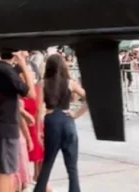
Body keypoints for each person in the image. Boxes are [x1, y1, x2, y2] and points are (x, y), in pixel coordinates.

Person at [33, 54, 87, 192]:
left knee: (47, 163)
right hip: (67, 119)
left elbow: (39, 109)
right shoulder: (70, 82)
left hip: (51, 120)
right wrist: (76, 114)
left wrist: (39, 130)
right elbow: (89, 98)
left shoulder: (43, 83)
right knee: (72, 166)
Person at [0, 50, 34, 192]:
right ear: (15, 53)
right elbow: (31, 93)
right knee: (6, 171)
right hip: (6, 125)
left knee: (6, 169)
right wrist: (24, 66)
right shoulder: (7, 71)